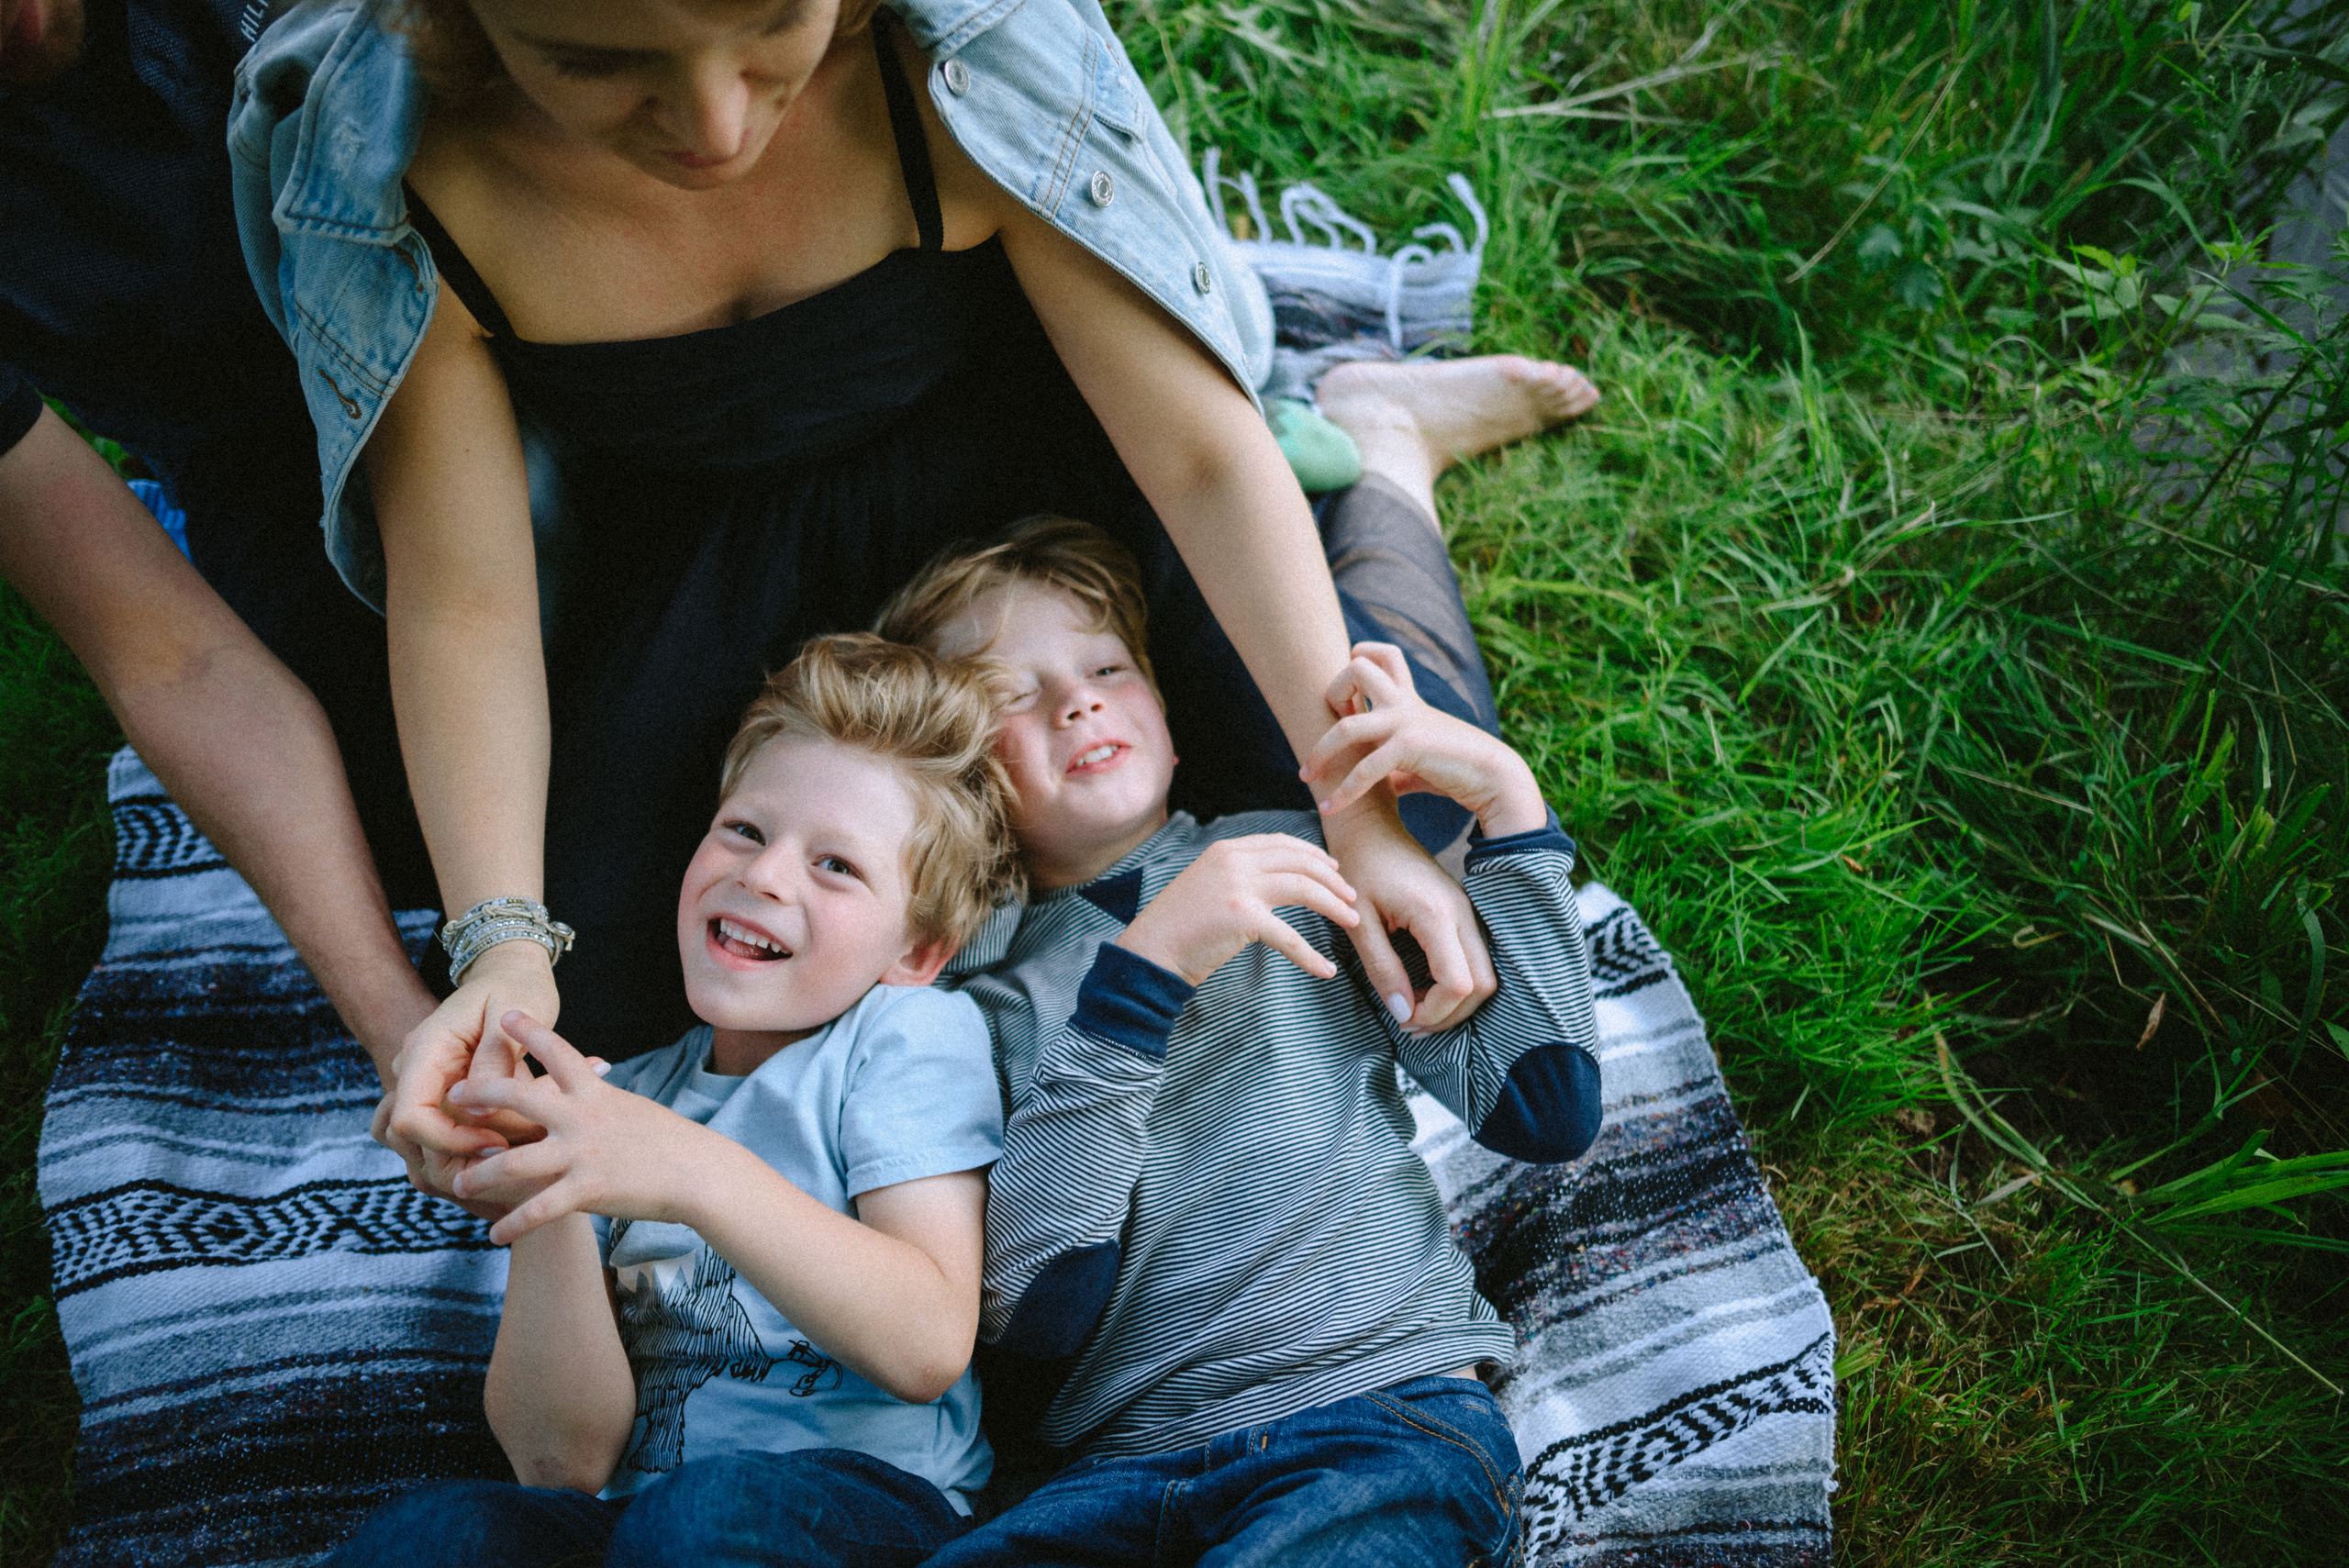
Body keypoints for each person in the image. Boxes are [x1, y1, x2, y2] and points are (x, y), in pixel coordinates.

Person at [229, 0, 1563, 1138]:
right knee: (623, 989)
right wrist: (503, 937)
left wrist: (1359, 803)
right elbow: (462, 596)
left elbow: (1203, 461)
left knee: (1399, 814)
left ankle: (1384, 446)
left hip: (1044, 490)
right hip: (709, 555)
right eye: (595, 61)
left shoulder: (956, 54)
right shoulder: (396, 171)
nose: (714, 125)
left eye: (772, 29)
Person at [877, 516, 1604, 1565]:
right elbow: (1037, 1308)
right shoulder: (961, 1000)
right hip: (1113, 1469)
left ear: (1170, 719)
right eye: (1009, 696)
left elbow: (1542, 1105)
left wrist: (1509, 804)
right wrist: (1142, 978)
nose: (1076, 700)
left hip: (1374, 1414)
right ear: (956, 784)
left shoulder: (1306, 859)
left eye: (1106, 667)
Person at [325, 634, 1019, 1568]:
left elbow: (927, 1339)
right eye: (744, 828)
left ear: (916, 951)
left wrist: (683, 1167)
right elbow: (558, 1460)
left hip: (862, 1506)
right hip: (631, 1521)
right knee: (436, 1533)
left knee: (705, 1517)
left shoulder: (904, 1034)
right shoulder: (626, 1095)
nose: (764, 874)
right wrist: (550, 1203)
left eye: (837, 866)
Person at [2, 0, 442, 1085]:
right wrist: (397, 1028)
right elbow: (166, 651)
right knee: (415, 822)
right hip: (277, 463)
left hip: (534, 319)